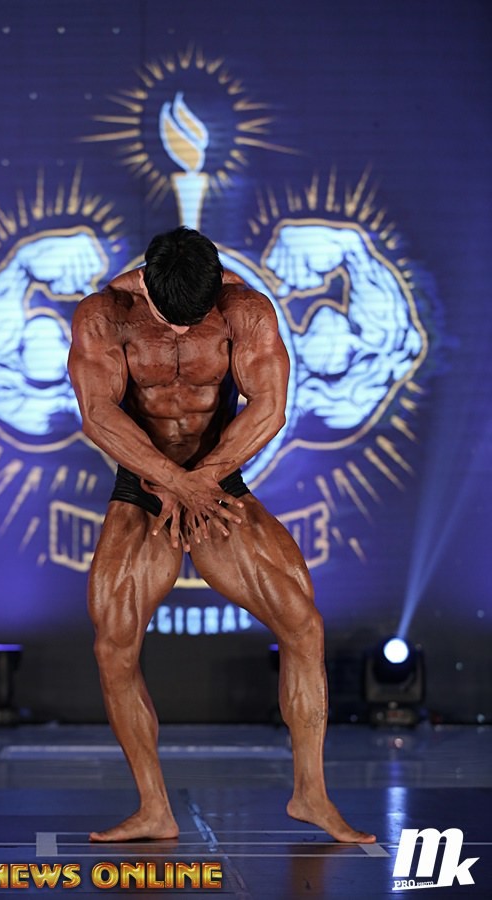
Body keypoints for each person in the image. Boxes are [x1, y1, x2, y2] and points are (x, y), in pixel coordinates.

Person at [68, 226, 376, 844]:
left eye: (195, 320)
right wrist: (171, 483)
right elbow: (98, 414)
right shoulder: (104, 316)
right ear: (146, 285)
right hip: (145, 486)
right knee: (113, 647)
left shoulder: (245, 310)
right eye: (170, 321)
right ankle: (154, 807)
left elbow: (270, 408)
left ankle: (311, 795)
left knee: (304, 626)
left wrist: (201, 481)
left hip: (217, 482)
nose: (184, 332)